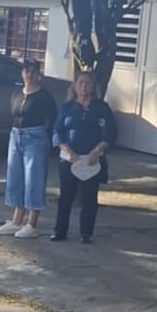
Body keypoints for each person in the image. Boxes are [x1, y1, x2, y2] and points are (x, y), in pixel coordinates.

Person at [51, 70, 118, 245]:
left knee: (89, 198)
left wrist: (97, 151)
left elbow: (110, 133)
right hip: (69, 159)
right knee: (66, 196)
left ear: (93, 86)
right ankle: (60, 231)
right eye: (80, 83)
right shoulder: (67, 108)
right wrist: (66, 150)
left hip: (91, 159)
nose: (83, 86)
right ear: (74, 86)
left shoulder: (101, 108)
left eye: (87, 83)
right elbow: (57, 131)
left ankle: (86, 233)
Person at [0, 61, 57, 239]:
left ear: (39, 74)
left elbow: (51, 119)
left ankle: (32, 222)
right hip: (16, 135)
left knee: (33, 178)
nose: (29, 74)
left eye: (33, 72)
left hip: (35, 137)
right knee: (16, 177)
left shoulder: (44, 96)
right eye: (26, 71)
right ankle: (16, 220)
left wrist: (47, 141)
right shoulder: (16, 93)